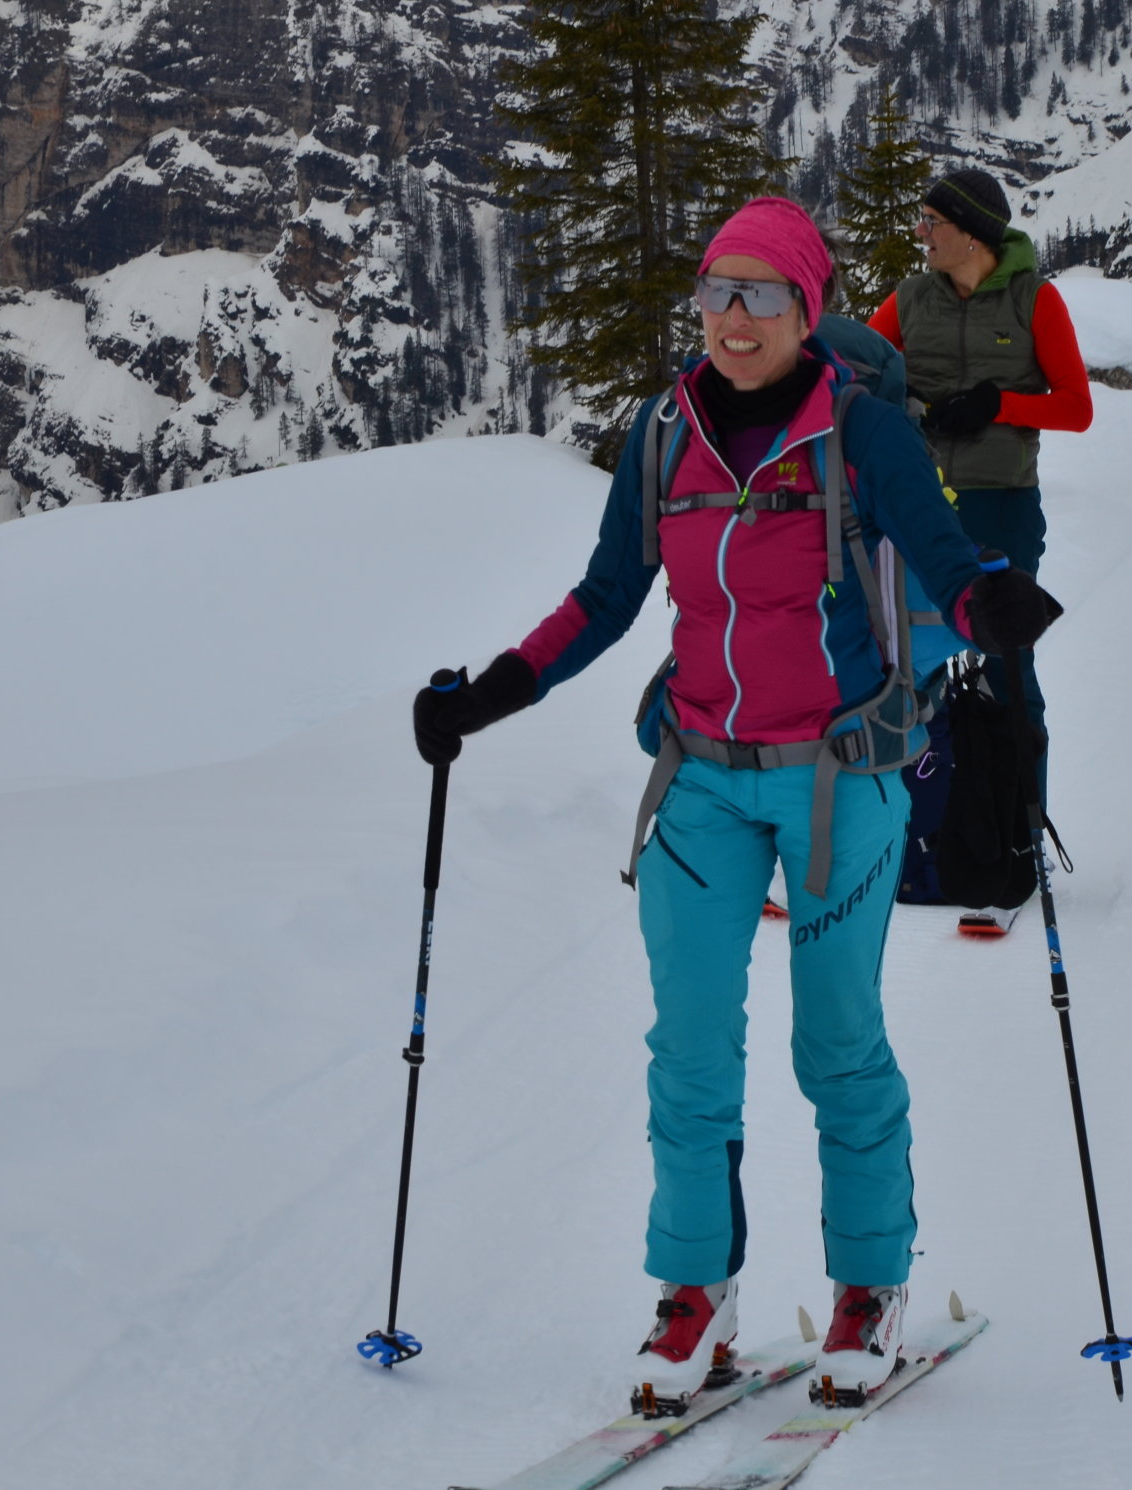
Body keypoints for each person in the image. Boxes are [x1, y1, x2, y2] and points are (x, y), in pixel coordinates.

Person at [410, 196, 1057, 1400]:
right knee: (689, 1047)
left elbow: (944, 562)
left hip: (841, 775)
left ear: (808, 309)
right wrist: (492, 691)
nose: (735, 317)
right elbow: (606, 596)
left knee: (837, 1039)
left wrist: (991, 609)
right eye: (718, 291)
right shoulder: (665, 432)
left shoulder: (863, 432)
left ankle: (869, 1283)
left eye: (763, 293)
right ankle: (695, 1295)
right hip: (700, 775)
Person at [867, 168, 1093, 814]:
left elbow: (1076, 408)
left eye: (932, 222)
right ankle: (919, 833)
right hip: (919, 508)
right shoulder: (911, 299)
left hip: (1002, 503)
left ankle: (1023, 830)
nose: (921, 233)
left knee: (1006, 665)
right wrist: (904, 402)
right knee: (912, 663)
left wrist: (998, 405)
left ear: (972, 235)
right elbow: (853, 369)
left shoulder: (1034, 301)